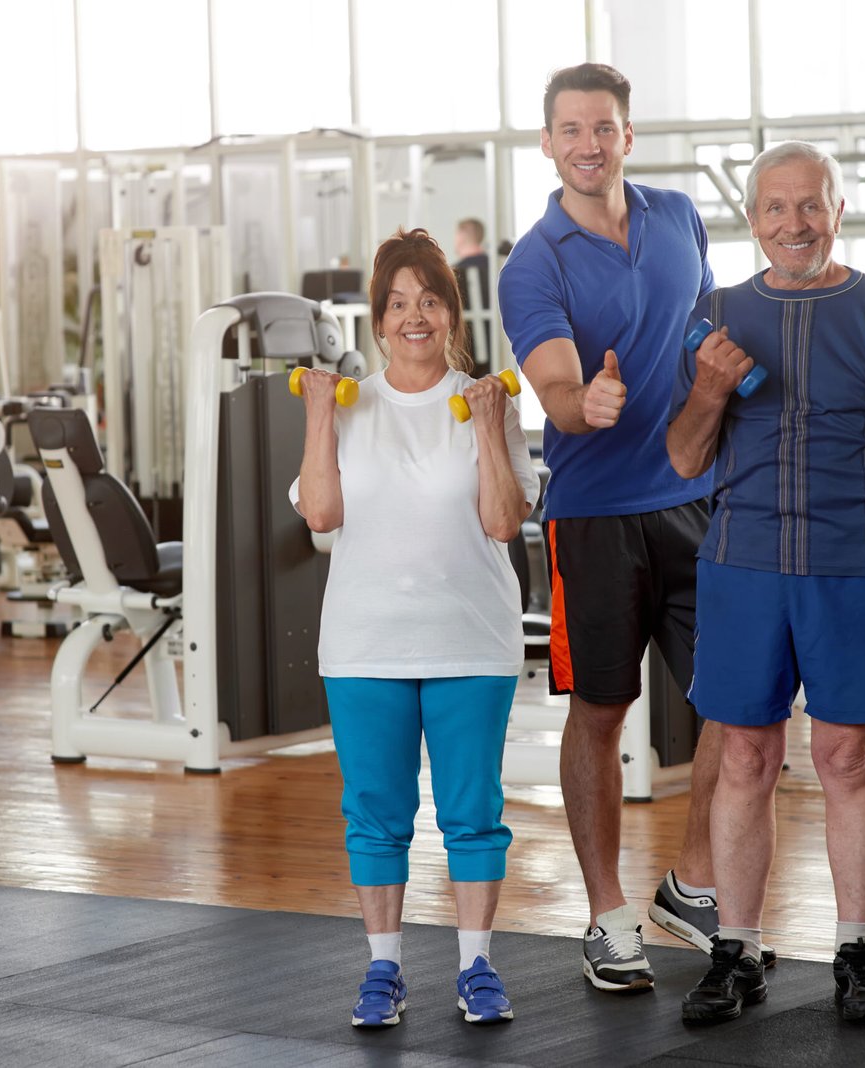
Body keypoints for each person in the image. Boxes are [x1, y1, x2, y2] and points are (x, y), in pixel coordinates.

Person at [665, 140, 865, 1025]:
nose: (795, 223)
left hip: (853, 564)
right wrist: (710, 390)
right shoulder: (714, 315)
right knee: (745, 759)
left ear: (837, 212)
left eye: (811, 205)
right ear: (752, 219)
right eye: (776, 208)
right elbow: (684, 459)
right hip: (743, 565)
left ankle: (858, 950)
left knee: (846, 757)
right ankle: (736, 950)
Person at [497, 61, 752, 993]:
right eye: (571, 129)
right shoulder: (534, 263)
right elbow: (557, 389)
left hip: (696, 495)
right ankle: (608, 917)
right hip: (595, 516)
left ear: (628, 136)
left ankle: (691, 882)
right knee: (600, 714)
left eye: (603, 127)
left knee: (739, 699)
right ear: (547, 143)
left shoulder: (678, 217)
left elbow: (702, 328)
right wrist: (584, 403)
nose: (589, 144)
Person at [291, 227, 540, 1028]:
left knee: (473, 811)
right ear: (378, 321)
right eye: (398, 304)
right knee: (376, 814)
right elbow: (320, 515)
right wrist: (320, 415)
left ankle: (476, 967)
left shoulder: (489, 402)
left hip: (472, 638)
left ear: (452, 315)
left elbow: (502, 522)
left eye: (429, 301)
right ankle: (384, 970)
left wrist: (489, 425)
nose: (414, 317)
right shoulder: (349, 407)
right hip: (365, 642)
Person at [453, 218, 492, 372]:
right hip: (497, 349)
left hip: (467, 357)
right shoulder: (497, 268)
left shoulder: (453, 274)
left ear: (461, 236)